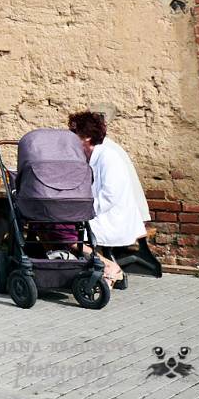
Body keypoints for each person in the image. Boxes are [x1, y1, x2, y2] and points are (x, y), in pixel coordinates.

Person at [67, 110, 152, 290]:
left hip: (113, 218)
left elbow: (109, 196)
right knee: (53, 227)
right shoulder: (88, 157)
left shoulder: (108, 157)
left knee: (67, 234)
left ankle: (109, 267)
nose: (71, 140)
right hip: (98, 214)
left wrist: (82, 214)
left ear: (87, 137)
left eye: (74, 134)